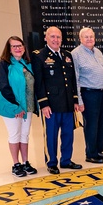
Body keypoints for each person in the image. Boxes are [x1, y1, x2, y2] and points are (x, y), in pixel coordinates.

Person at [32, 26, 81, 174]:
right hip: (51, 105)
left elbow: (71, 80)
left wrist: (75, 100)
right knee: (51, 135)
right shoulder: (39, 55)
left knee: (68, 134)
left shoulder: (67, 55)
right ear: (46, 38)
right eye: (52, 37)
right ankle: (51, 162)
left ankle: (66, 160)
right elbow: (39, 82)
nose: (55, 40)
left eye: (58, 37)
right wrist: (44, 103)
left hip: (67, 103)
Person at [0, 36, 38, 177]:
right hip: (12, 107)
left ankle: (25, 162)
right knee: (15, 135)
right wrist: (16, 106)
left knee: (25, 135)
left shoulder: (27, 64)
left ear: (24, 48)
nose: (18, 48)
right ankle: (16, 164)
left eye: (20, 45)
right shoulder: (4, 65)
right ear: (9, 49)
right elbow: (3, 87)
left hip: (28, 106)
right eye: (14, 46)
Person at [71, 27, 103, 164]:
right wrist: (79, 100)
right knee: (91, 125)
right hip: (88, 93)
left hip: (101, 93)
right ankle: (91, 154)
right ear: (80, 39)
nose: (89, 39)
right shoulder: (75, 54)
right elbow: (75, 78)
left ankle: (99, 150)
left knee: (101, 123)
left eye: (91, 36)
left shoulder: (98, 52)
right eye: (86, 37)